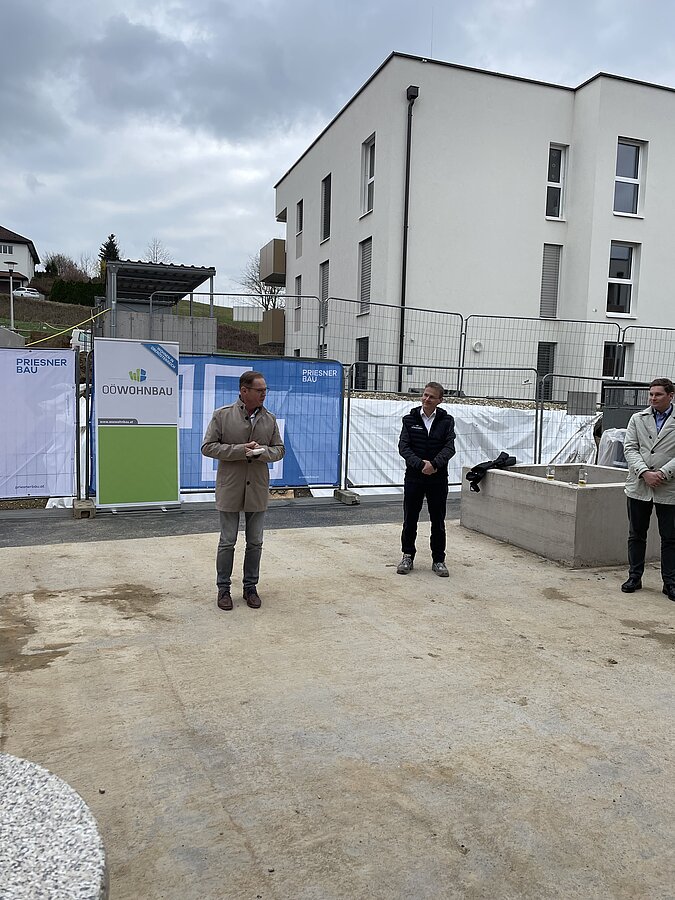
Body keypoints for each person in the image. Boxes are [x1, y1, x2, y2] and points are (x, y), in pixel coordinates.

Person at [201, 371, 285, 611]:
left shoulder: (269, 419)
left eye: (265, 390)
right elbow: (208, 447)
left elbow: (279, 450)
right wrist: (240, 450)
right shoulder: (222, 415)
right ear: (244, 391)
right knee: (227, 541)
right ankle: (223, 589)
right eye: (260, 390)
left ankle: (250, 588)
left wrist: (262, 453)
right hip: (231, 487)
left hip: (257, 487)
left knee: (255, 542)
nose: (264, 394)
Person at [621, 377, 675, 602]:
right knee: (636, 534)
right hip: (639, 484)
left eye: (658, 394)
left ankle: (670, 582)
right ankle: (635, 576)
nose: (653, 398)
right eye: (651, 394)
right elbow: (630, 448)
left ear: (670, 396)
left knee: (670, 537)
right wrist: (644, 472)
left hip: (668, 487)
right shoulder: (637, 418)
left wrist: (663, 473)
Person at [397, 382, 456, 577]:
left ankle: (438, 560)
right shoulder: (409, 419)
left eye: (431, 397)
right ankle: (407, 556)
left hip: (438, 479)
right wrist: (421, 465)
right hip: (414, 478)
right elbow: (404, 447)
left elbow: (449, 448)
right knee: (410, 519)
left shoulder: (447, 421)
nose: (426, 399)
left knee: (438, 521)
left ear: (440, 400)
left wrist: (435, 464)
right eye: (425, 395)